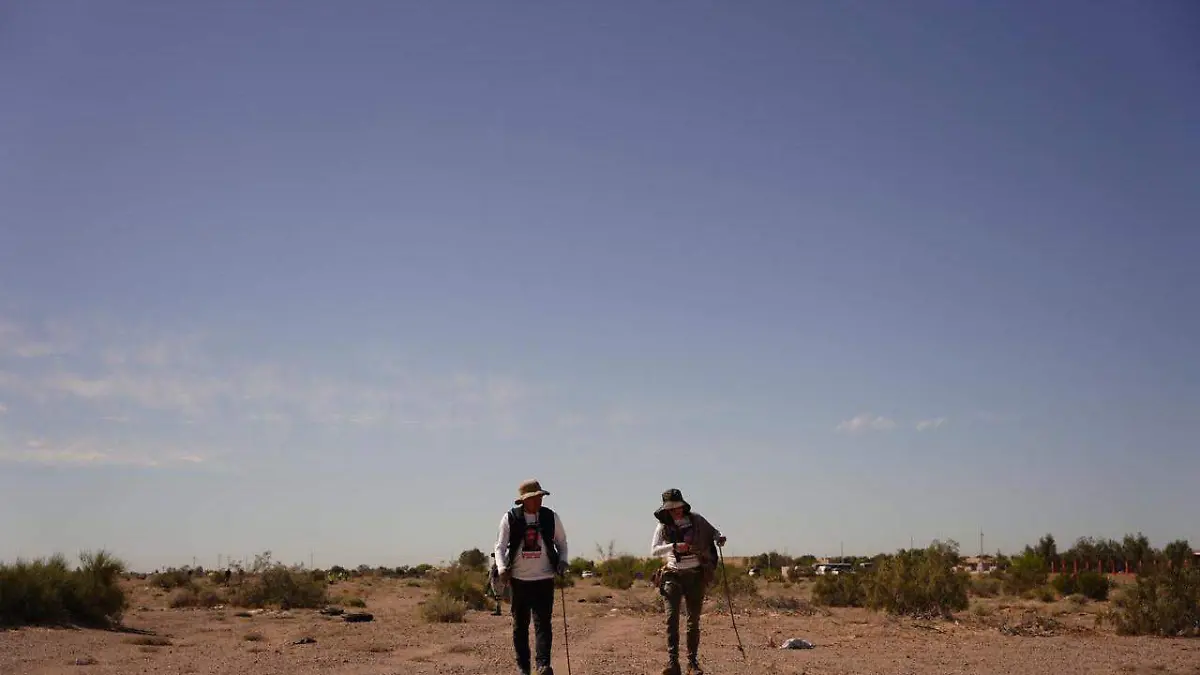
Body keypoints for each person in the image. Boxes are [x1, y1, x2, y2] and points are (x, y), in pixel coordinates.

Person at [494, 479, 569, 675]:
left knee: (543, 623)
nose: (538, 501)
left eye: (540, 497)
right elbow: (500, 547)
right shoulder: (510, 518)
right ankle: (523, 668)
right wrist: (502, 568)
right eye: (534, 497)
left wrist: (562, 561)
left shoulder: (550, 517)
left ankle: (543, 665)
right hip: (519, 580)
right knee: (520, 626)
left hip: (544, 579)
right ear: (524, 500)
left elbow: (562, 543)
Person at [650, 488, 727, 675]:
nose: (676, 510)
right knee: (671, 619)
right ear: (666, 510)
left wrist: (720, 538)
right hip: (672, 575)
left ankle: (692, 664)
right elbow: (654, 550)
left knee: (693, 620)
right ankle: (672, 663)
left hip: (695, 575)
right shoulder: (662, 527)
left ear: (683, 505)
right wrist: (674, 546)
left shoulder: (696, 520)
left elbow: (714, 532)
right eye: (672, 507)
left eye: (678, 506)